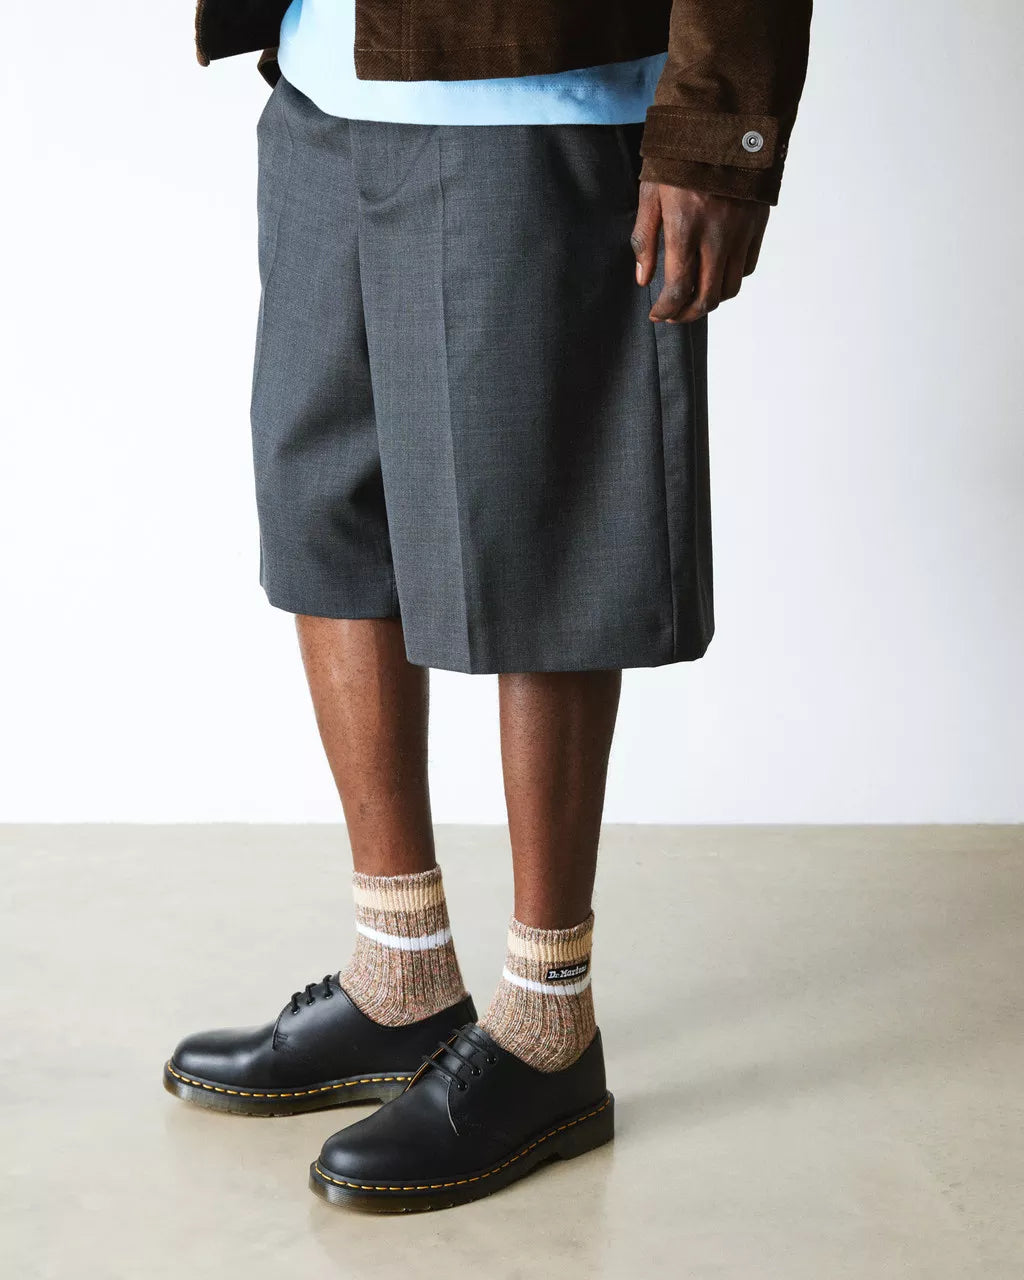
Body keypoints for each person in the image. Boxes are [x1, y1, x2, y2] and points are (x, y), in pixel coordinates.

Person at [164, 0, 813, 1212]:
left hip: (536, 96)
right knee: (326, 510)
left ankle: (547, 1027)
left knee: (547, 535)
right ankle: (399, 973)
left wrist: (716, 132)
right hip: (325, 81)